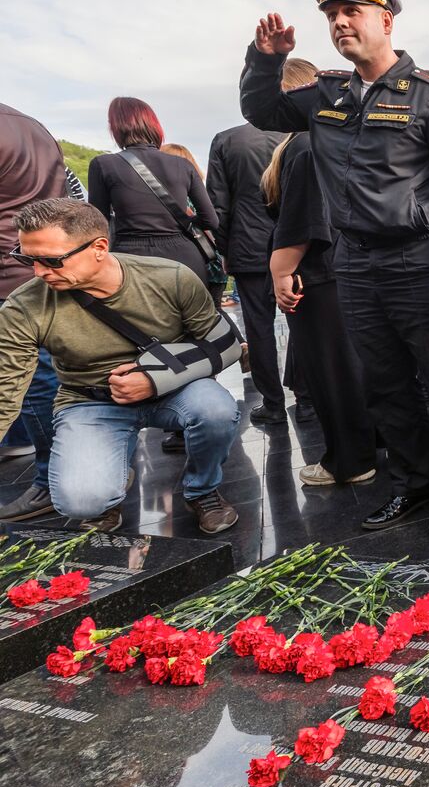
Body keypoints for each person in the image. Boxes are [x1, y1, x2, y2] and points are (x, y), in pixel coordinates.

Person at [241, 0, 429, 536]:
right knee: (383, 383)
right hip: (354, 263)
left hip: (421, 260)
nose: (340, 23)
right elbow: (259, 109)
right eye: (331, 14)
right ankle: (410, 485)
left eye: (352, 11)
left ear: (386, 21)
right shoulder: (324, 94)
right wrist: (266, 58)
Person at [0, 197, 242, 534]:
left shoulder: (170, 278)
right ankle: (107, 488)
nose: (39, 272)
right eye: (27, 258)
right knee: (80, 502)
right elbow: (5, 388)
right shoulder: (24, 305)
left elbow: (227, 344)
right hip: (90, 401)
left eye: (51, 260)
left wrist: (155, 380)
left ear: (99, 247)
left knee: (215, 409)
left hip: (177, 391)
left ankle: (202, 490)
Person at [262, 58, 377, 487]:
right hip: (338, 270)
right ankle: (364, 448)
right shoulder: (324, 141)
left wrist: (280, 270)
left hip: (318, 274)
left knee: (332, 373)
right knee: (349, 367)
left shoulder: (305, 145)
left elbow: (302, 220)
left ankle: (349, 459)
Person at [206, 113, 297, 424]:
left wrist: (225, 250)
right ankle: (309, 398)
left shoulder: (226, 140)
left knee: (259, 330)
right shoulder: (295, 132)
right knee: (304, 326)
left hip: (249, 245)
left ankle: (272, 403)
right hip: (295, 243)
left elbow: (218, 204)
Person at [0, 103, 67, 522]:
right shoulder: (29, 124)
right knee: (41, 371)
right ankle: (25, 443)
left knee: (34, 377)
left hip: (10, 269)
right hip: (44, 264)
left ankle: (51, 479)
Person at [88, 98, 223, 297]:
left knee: (140, 325)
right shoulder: (182, 165)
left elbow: (98, 223)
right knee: (191, 324)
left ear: (116, 127)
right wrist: (185, 221)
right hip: (185, 260)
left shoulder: (103, 164)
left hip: (132, 259)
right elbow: (211, 220)